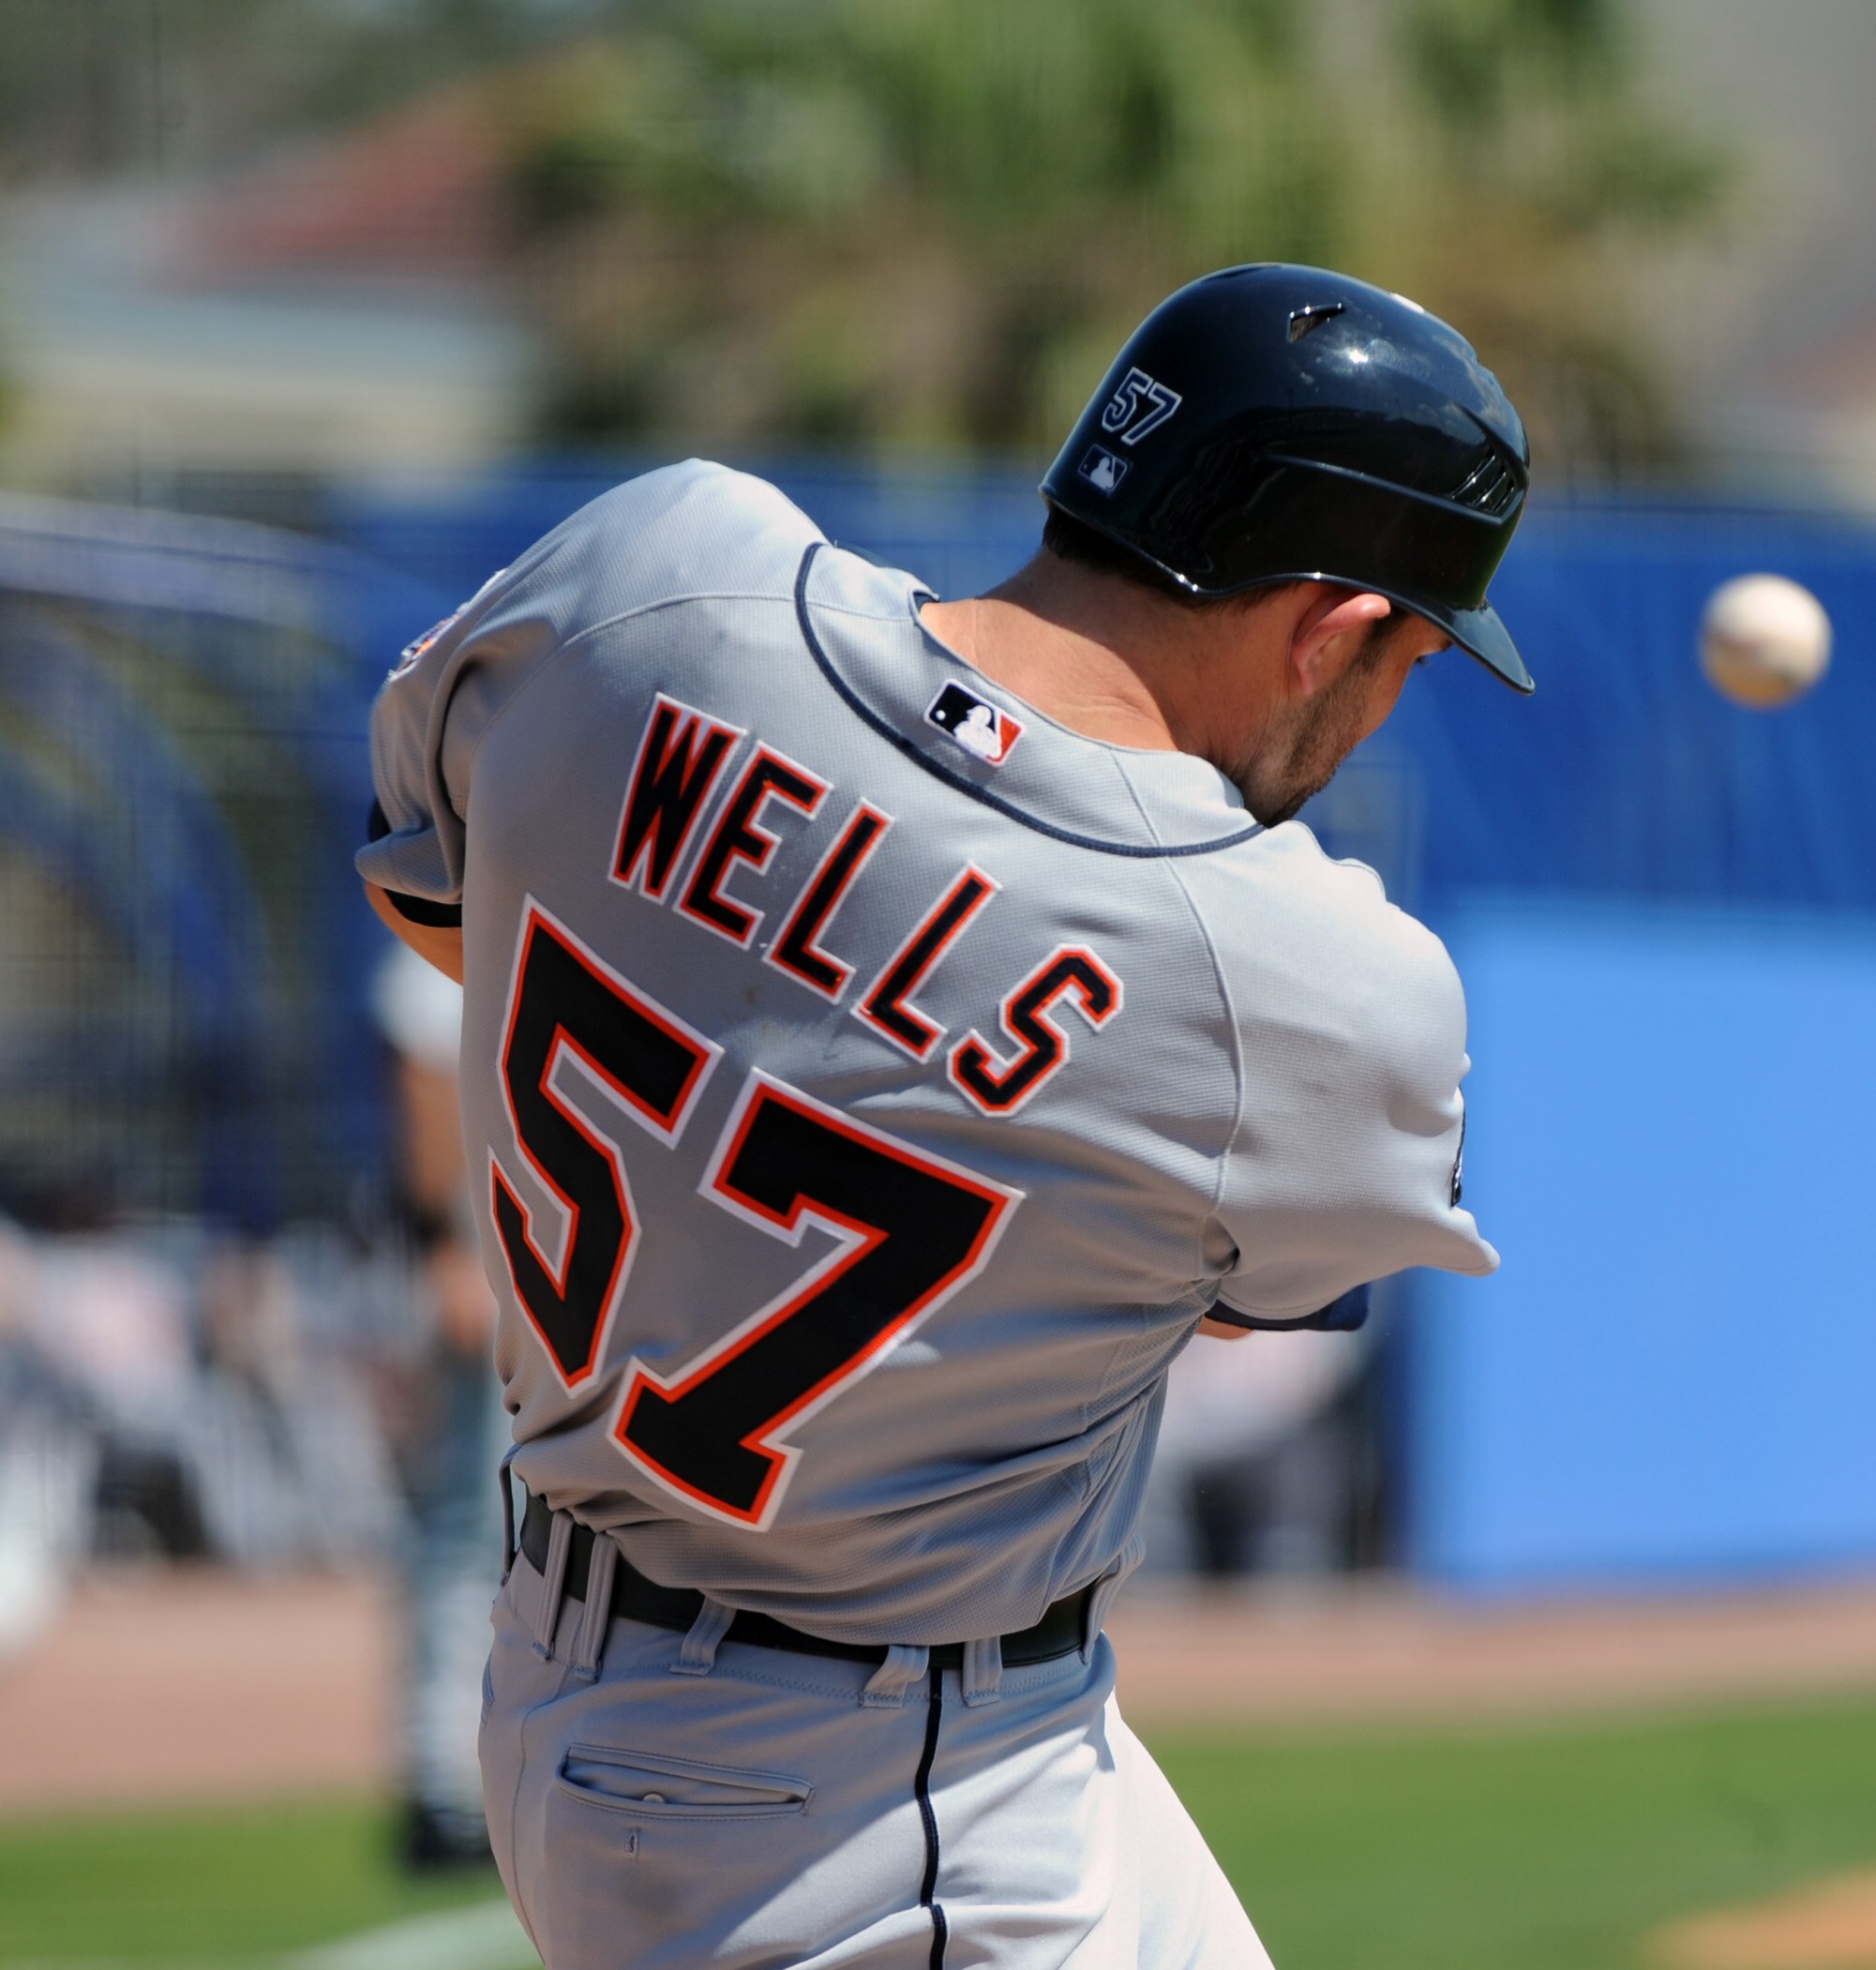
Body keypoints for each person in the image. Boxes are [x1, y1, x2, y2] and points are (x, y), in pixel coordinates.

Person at [353, 263, 1528, 1969]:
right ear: (1329, 627)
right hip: (874, 1795)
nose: (1387, 703)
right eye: (1408, 655)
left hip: (614, 1656)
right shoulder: (1309, 967)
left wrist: (762, 962)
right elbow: (1246, 1298)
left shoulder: (656, 574)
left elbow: (434, 905)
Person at [371, 942, 511, 1871]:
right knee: (469, 1527)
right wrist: (446, 1248)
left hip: (546, 1266)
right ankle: (437, 1784)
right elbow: (424, 1074)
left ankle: (479, 1777)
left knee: (508, 1528)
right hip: (484, 1258)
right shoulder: (452, 919)